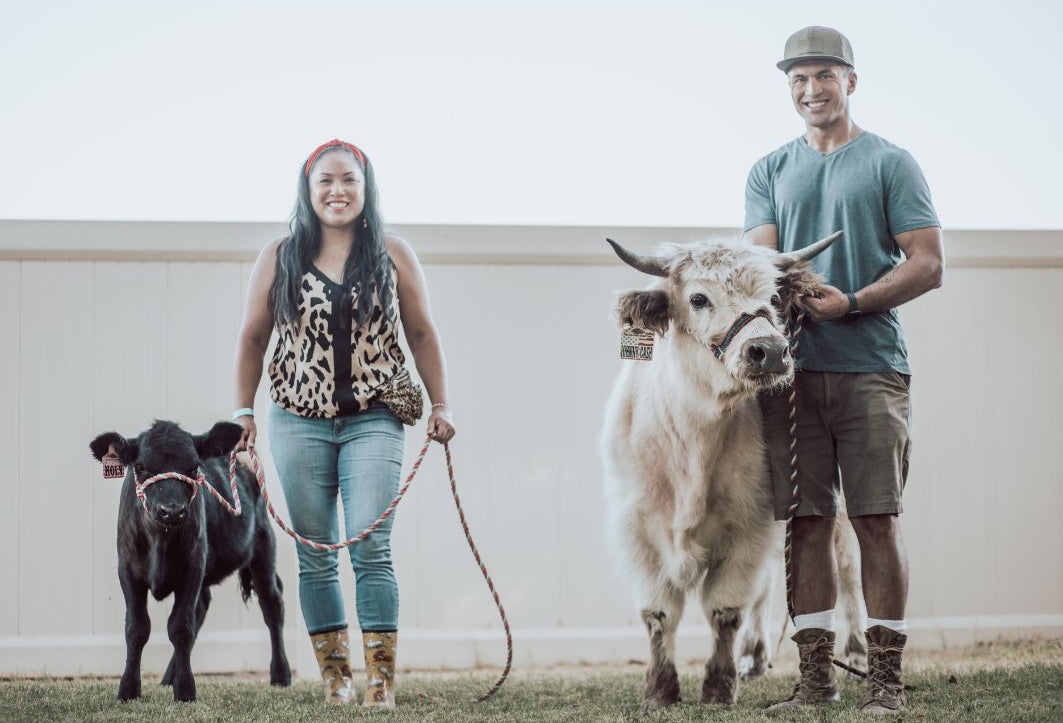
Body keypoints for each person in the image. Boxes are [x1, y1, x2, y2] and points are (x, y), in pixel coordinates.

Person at [744, 27, 943, 714]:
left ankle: (884, 682)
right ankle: (816, 682)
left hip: (871, 369)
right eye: (797, 79)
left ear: (849, 81)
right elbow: (762, 266)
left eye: (823, 75)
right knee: (803, 524)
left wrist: (851, 302)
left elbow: (926, 263)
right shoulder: (767, 171)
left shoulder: (890, 162)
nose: (810, 90)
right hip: (789, 379)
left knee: (875, 520)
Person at [233, 139, 455, 707]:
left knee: (372, 546)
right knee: (315, 552)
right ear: (308, 193)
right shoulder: (279, 255)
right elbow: (253, 339)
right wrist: (243, 414)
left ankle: (380, 682)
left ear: (366, 186)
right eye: (325, 181)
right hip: (294, 419)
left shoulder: (393, 252)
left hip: (374, 418)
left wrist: (440, 406)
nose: (337, 190)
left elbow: (423, 333)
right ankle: (337, 680)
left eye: (349, 179)